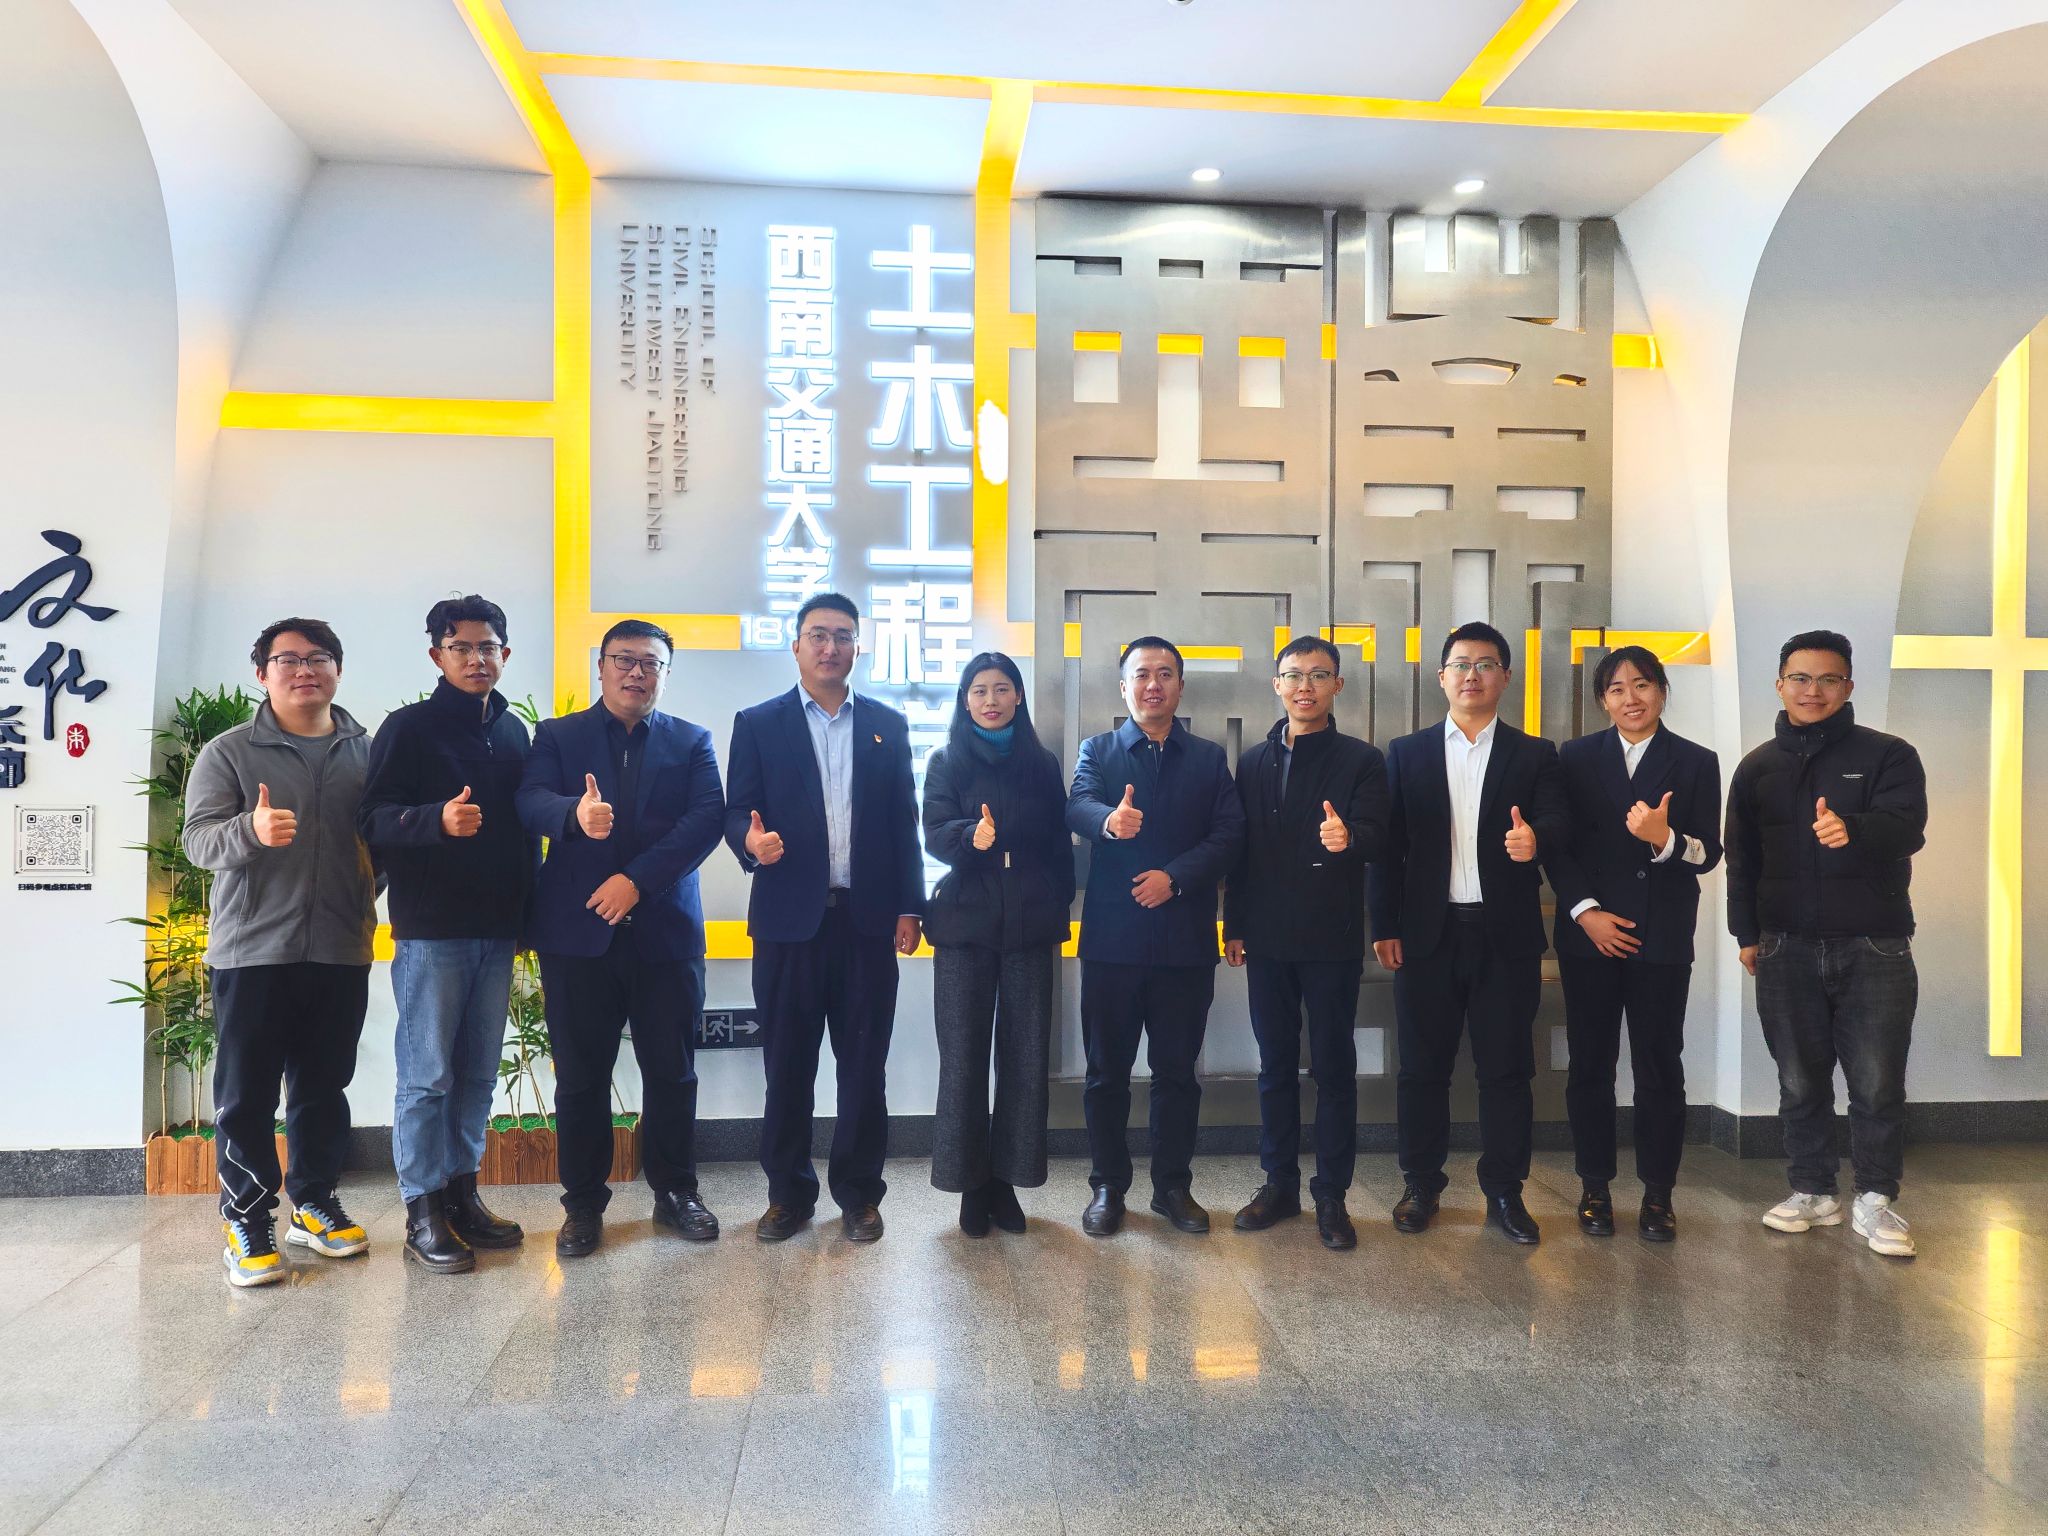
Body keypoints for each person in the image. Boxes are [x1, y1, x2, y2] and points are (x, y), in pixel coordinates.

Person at [516, 619, 726, 1258]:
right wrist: (573, 815)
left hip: (665, 935)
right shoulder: (559, 735)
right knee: (581, 1079)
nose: (637, 672)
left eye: (650, 663)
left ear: (666, 673)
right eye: (624, 659)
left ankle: (676, 1192)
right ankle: (583, 1205)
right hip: (577, 937)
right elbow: (529, 800)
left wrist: (635, 882)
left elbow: (706, 821)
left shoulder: (691, 740)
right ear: (601, 666)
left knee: (673, 1073)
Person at [182, 618, 378, 1287]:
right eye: (287, 659)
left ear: (338, 670)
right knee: (247, 1094)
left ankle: (314, 1203)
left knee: (324, 1087)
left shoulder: (368, 754)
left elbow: (381, 848)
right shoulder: (230, 752)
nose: (304, 670)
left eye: (318, 657)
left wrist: (356, 893)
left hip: (341, 947)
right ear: (262, 674)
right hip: (252, 951)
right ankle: (246, 1217)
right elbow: (198, 842)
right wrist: (250, 830)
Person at [724, 593, 925, 1244]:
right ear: (796, 646)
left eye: (843, 636)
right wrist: (750, 844)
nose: (830, 647)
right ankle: (788, 1196)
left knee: (864, 1068)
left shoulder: (887, 726)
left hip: (867, 923)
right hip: (788, 924)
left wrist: (910, 906)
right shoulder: (758, 723)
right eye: (818, 635)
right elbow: (737, 811)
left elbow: (903, 823)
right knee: (787, 1067)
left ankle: (860, 1195)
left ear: (858, 647)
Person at [1725, 629, 1927, 1258]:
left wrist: (1853, 830)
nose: (1813, 690)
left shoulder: (1889, 754)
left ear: (1848, 686)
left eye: (1828, 679)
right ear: (1780, 685)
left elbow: (1908, 829)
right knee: (1799, 1079)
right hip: (1783, 945)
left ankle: (1875, 1198)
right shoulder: (1757, 766)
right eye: (1801, 678)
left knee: (1877, 1081)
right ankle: (1813, 1189)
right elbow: (1742, 859)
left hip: (1875, 945)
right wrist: (1746, 934)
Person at [1368, 621, 1569, 1245]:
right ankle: (1420, 1185)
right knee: (1421, 1069)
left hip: (1505, 936)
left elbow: (1559, 820)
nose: (1472, 675)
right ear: (1442, 677)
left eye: (1485, 664)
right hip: (1425, 935)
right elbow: (1388, 849)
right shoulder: (1407, 753)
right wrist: (1385, 925)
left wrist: (1537, 839)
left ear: (1505, 677)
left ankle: (1505, 1192)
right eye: (1460, 664)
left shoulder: (1535, 754)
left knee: (1506, 1070)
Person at [358, 594, 539, 1273]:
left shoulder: (515, 732)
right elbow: (372, 820)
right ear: (437, 655)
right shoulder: (408, 728)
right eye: (460, 647)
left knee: (477, 1075)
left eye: (487, 646)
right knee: (428, 1075)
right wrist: (436, 819)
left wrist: (528, 917)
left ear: (504, 654)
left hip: (498, 929)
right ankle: (422, 1210)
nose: (475, 658)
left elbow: (525, 835)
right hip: (433, 931)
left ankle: (463, 1195)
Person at [1066, 636, 1245, 1237]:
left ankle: (1172, 1186)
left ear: (1180, 687)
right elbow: (1077, 805)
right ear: (1124, 687)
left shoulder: (1208, 759)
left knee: (1176, 1074)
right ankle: (1107, 1186)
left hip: (1183, 942)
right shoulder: (1098, 751)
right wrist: (1108, 821)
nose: (1153, 685)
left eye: (1165, 674)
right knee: (1105, 1074)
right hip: (1112, 944)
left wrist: (1176, 877)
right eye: (1142, 675)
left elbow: (1229, 835)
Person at [1543, 645, 1721, 1243]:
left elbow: (1709, 853)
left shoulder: (1696, 761)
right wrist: (1586, 913)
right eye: (1617, 689)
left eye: (1642, 685)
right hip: (1589, 936)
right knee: (1590, 1065)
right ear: (1603, 700)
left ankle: (1658, 1193)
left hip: (1660, 936)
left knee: (1658, 1066)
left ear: (1662, 691)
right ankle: (1594, 1185)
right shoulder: (1574, 757)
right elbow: (1558, 846)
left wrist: (1665, 839)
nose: (1631, 698)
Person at [1223, 636, 1389, 1251]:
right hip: (1266, 938)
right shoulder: (1253, 763)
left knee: (1333, 1068)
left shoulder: (1361, 760)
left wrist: (1351, 838)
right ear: (1277, 685)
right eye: (1293, 675)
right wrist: (1234, 925)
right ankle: (1279, 1185)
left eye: (1319, 676)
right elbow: (1240, 853)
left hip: (1331, 937)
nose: (1305, 687)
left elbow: (1380, 835)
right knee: (1274, 1066)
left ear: (1337, 686)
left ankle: (1332, 1194)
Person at [922, 653, 1075, 1236]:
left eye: (1002, 689)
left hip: (1030, 924)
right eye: (979, 690)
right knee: (962, 1058)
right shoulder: (946, 760)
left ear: (1018, 697)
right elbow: (934, 833)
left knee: (1025, 1057)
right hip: (965, 925)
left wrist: (1056, 898)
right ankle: (969, 1186)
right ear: (965, 700)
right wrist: (971, 835)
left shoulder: (1042, 762)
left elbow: (1058, 842)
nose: (991, 699)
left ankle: (1007, 1183)